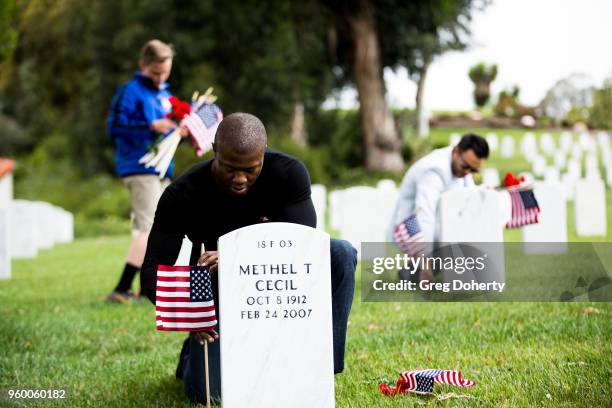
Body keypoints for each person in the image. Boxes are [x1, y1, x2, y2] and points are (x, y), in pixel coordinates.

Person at [140, 113, 357, 405]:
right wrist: (191, 314)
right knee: (208, 395)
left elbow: (306, 250)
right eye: (230, 168)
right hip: (217, 291)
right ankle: (192, 353)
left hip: (281, 284)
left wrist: (234, 256)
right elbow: (152, 271)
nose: (240, 178)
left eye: (251, 169)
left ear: (263, 154)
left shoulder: (288, 174)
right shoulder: (183, 194)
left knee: (341, 253)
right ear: (215, 150)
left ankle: (322, 362)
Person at [107, 39, 187, 304]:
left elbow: (167, 130)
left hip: (163, 168)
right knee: (149, 227)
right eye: (155, 72)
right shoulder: (130, 91)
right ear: (143, 65)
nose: (161, 77)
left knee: (163, 226)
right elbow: (114, 127)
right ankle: (122, 288)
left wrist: (180, 130)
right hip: (139, 167)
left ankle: (148, 287)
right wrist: (150, 127)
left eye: (165, 72)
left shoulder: (165, 95)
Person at [388, 134, 489, 279]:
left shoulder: (460, 165)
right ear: (456, 152)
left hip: (435, 225)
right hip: (408, 228)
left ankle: (412, 271)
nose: (468, 173)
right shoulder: (433, 170)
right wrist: (425, 259)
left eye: (473, 170)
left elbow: (469, 195)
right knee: (455, 241)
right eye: (466, 166)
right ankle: (416, 270)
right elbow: (425, 215)